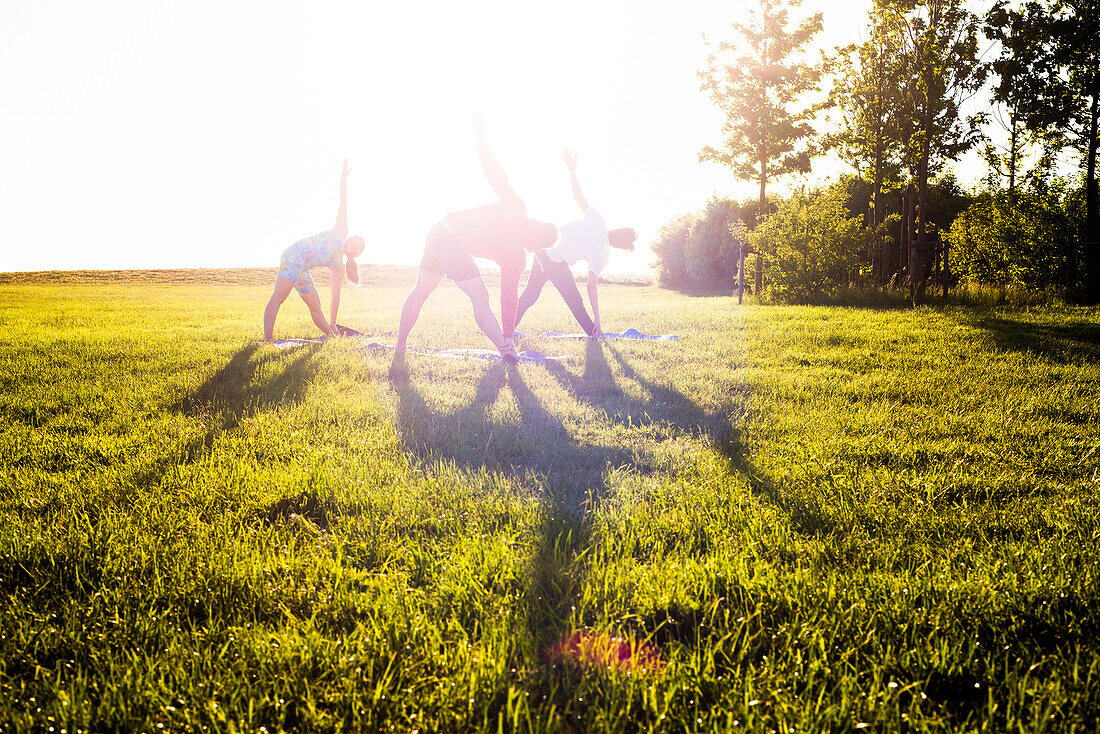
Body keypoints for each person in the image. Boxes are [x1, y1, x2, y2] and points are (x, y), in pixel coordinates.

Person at [395, 116, 558, 361]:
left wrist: (509, 332)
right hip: (448, 236)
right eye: (536, 234)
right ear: (535, 225)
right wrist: (481, 142)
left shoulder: (517, 258)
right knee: (479, 296)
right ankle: (504, 352)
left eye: (538, 242)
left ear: (537, 246)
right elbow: (498, 178)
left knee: (422, 291)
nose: (532, 240)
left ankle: (400, 347)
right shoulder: (518, 210)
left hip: (440, 231)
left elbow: (509, 296)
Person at [514, 149, 636, 337]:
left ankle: (507, 329)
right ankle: (594, 332)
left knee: (530, 296)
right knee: (574, 301)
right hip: (553, 259)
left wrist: (572, 169)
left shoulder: (598, 219)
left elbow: (578, 196)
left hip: (543, 248)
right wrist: (597, 318)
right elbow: (590, 286)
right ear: (619, 245)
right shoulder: (602, 253)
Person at [263, 160, 365, 343]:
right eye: (354, 237)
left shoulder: (339, 266)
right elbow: (343, 204)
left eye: (356, 243)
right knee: (278, 297)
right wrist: (343, 178)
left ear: (356, 252)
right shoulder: (341, 231)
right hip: (294, 256)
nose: (351, 239)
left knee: (316, 306)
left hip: (302, 267)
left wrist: (333, 322)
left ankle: (333, 338)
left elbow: (336, 296)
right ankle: (268, 341)